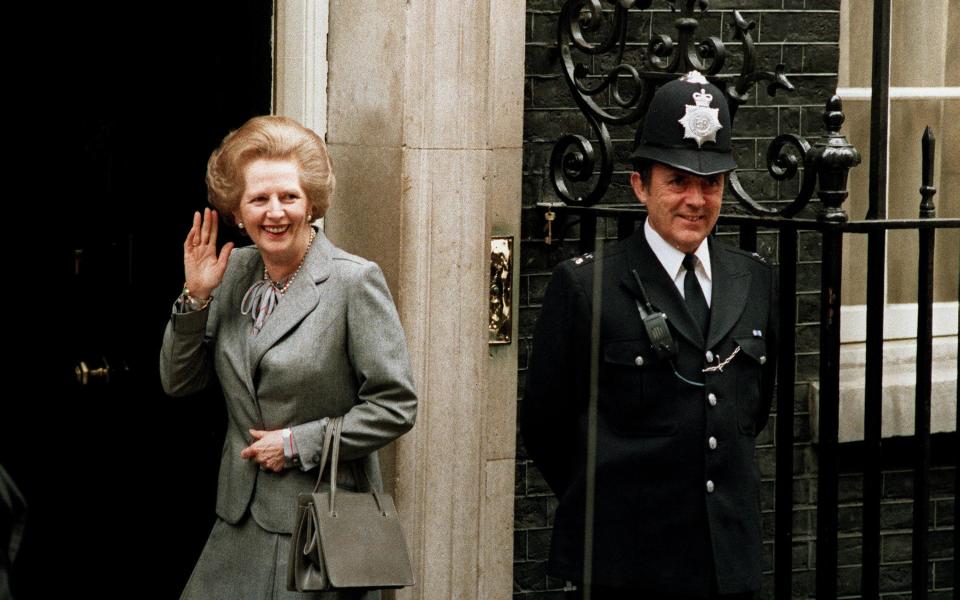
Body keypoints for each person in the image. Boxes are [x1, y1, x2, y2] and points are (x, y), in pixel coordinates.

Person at [520, 71, 778, 599]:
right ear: (640, 185)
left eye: (710, 183)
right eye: (678, 180)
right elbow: (546, 426)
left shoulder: (753, 278)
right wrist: (611, 502)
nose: (695, 199)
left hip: (726, 564)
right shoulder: (587, 285)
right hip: (627, 565)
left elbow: (753, 411)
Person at [160, 115, 418, 600]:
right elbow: (178, 382)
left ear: (311, 203)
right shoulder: (232, 271)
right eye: (259, 199)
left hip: (316, 529)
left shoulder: (352, 281)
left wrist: (298, 443)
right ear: (237, 210)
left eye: (289, 197)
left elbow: (396, 406)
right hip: (238, 518)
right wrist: (195, 299)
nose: (274, 213)